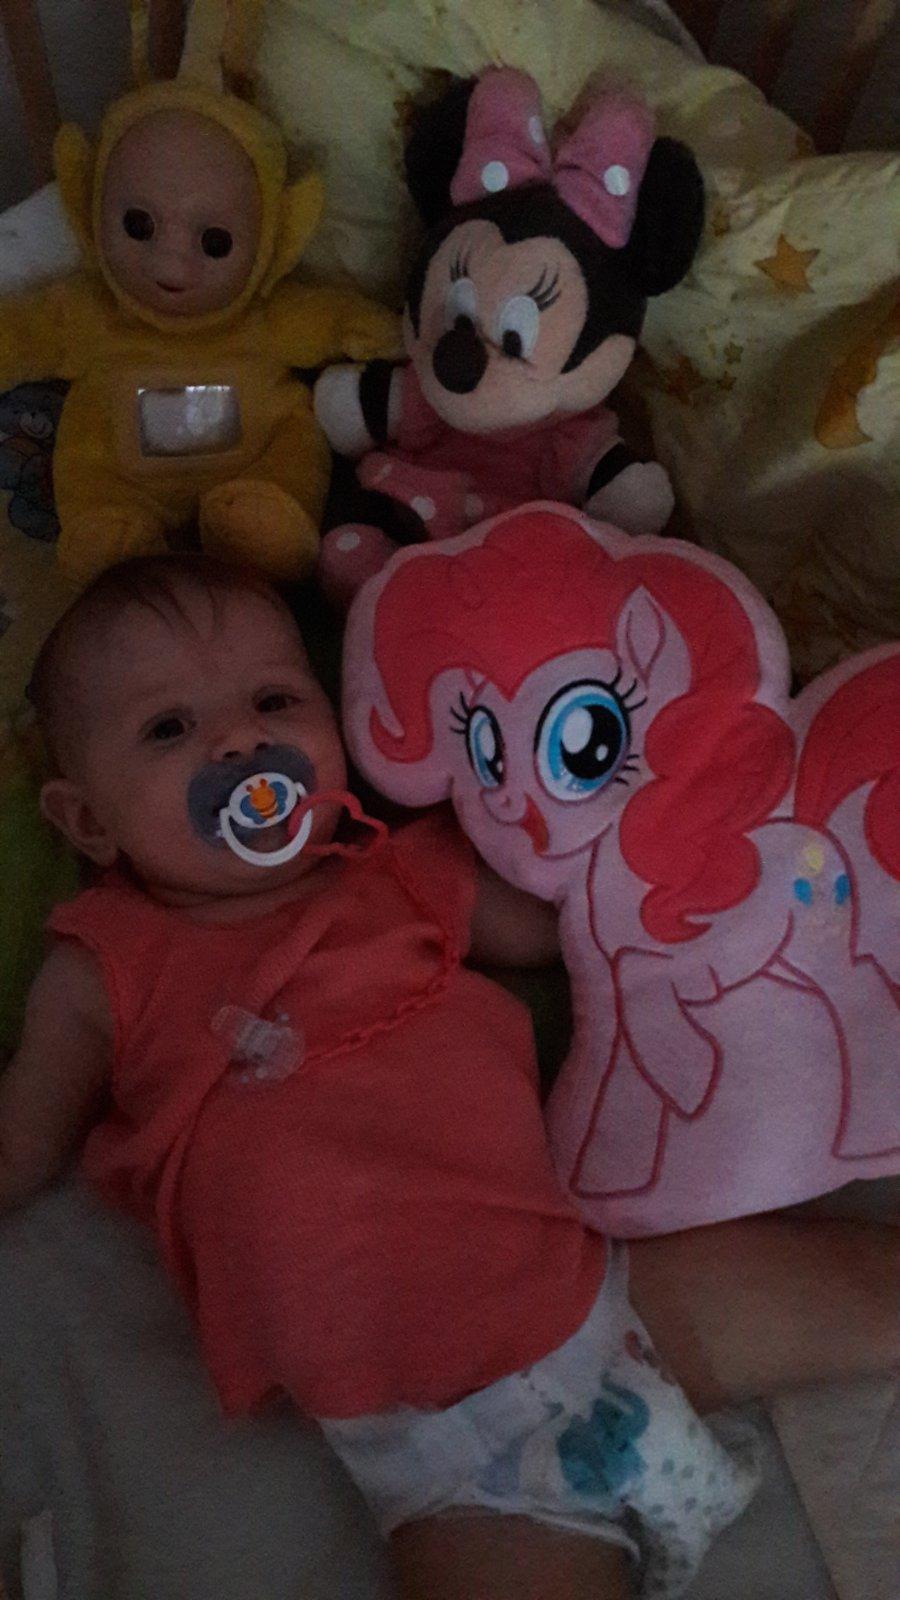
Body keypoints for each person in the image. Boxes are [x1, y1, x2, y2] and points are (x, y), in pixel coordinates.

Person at [0, 556, 895, 1600]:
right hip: (450, 1434)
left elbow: (592, 930)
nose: (239, 741)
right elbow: (23, 1143)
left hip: (602, 1296)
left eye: (276, 700)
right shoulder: (105, 965)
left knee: (863, 1289)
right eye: (169, 728)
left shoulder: (407, 870)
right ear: (88, 822)